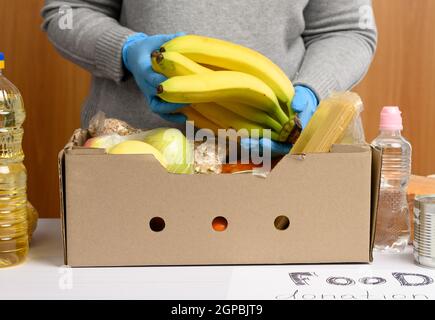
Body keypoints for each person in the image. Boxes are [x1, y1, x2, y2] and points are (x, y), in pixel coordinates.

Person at [42, 0, 377, 155]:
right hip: (134, 155)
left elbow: (348, 28)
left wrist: (312, 90)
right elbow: (67, 11)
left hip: (279, 159)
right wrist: (127, 49)